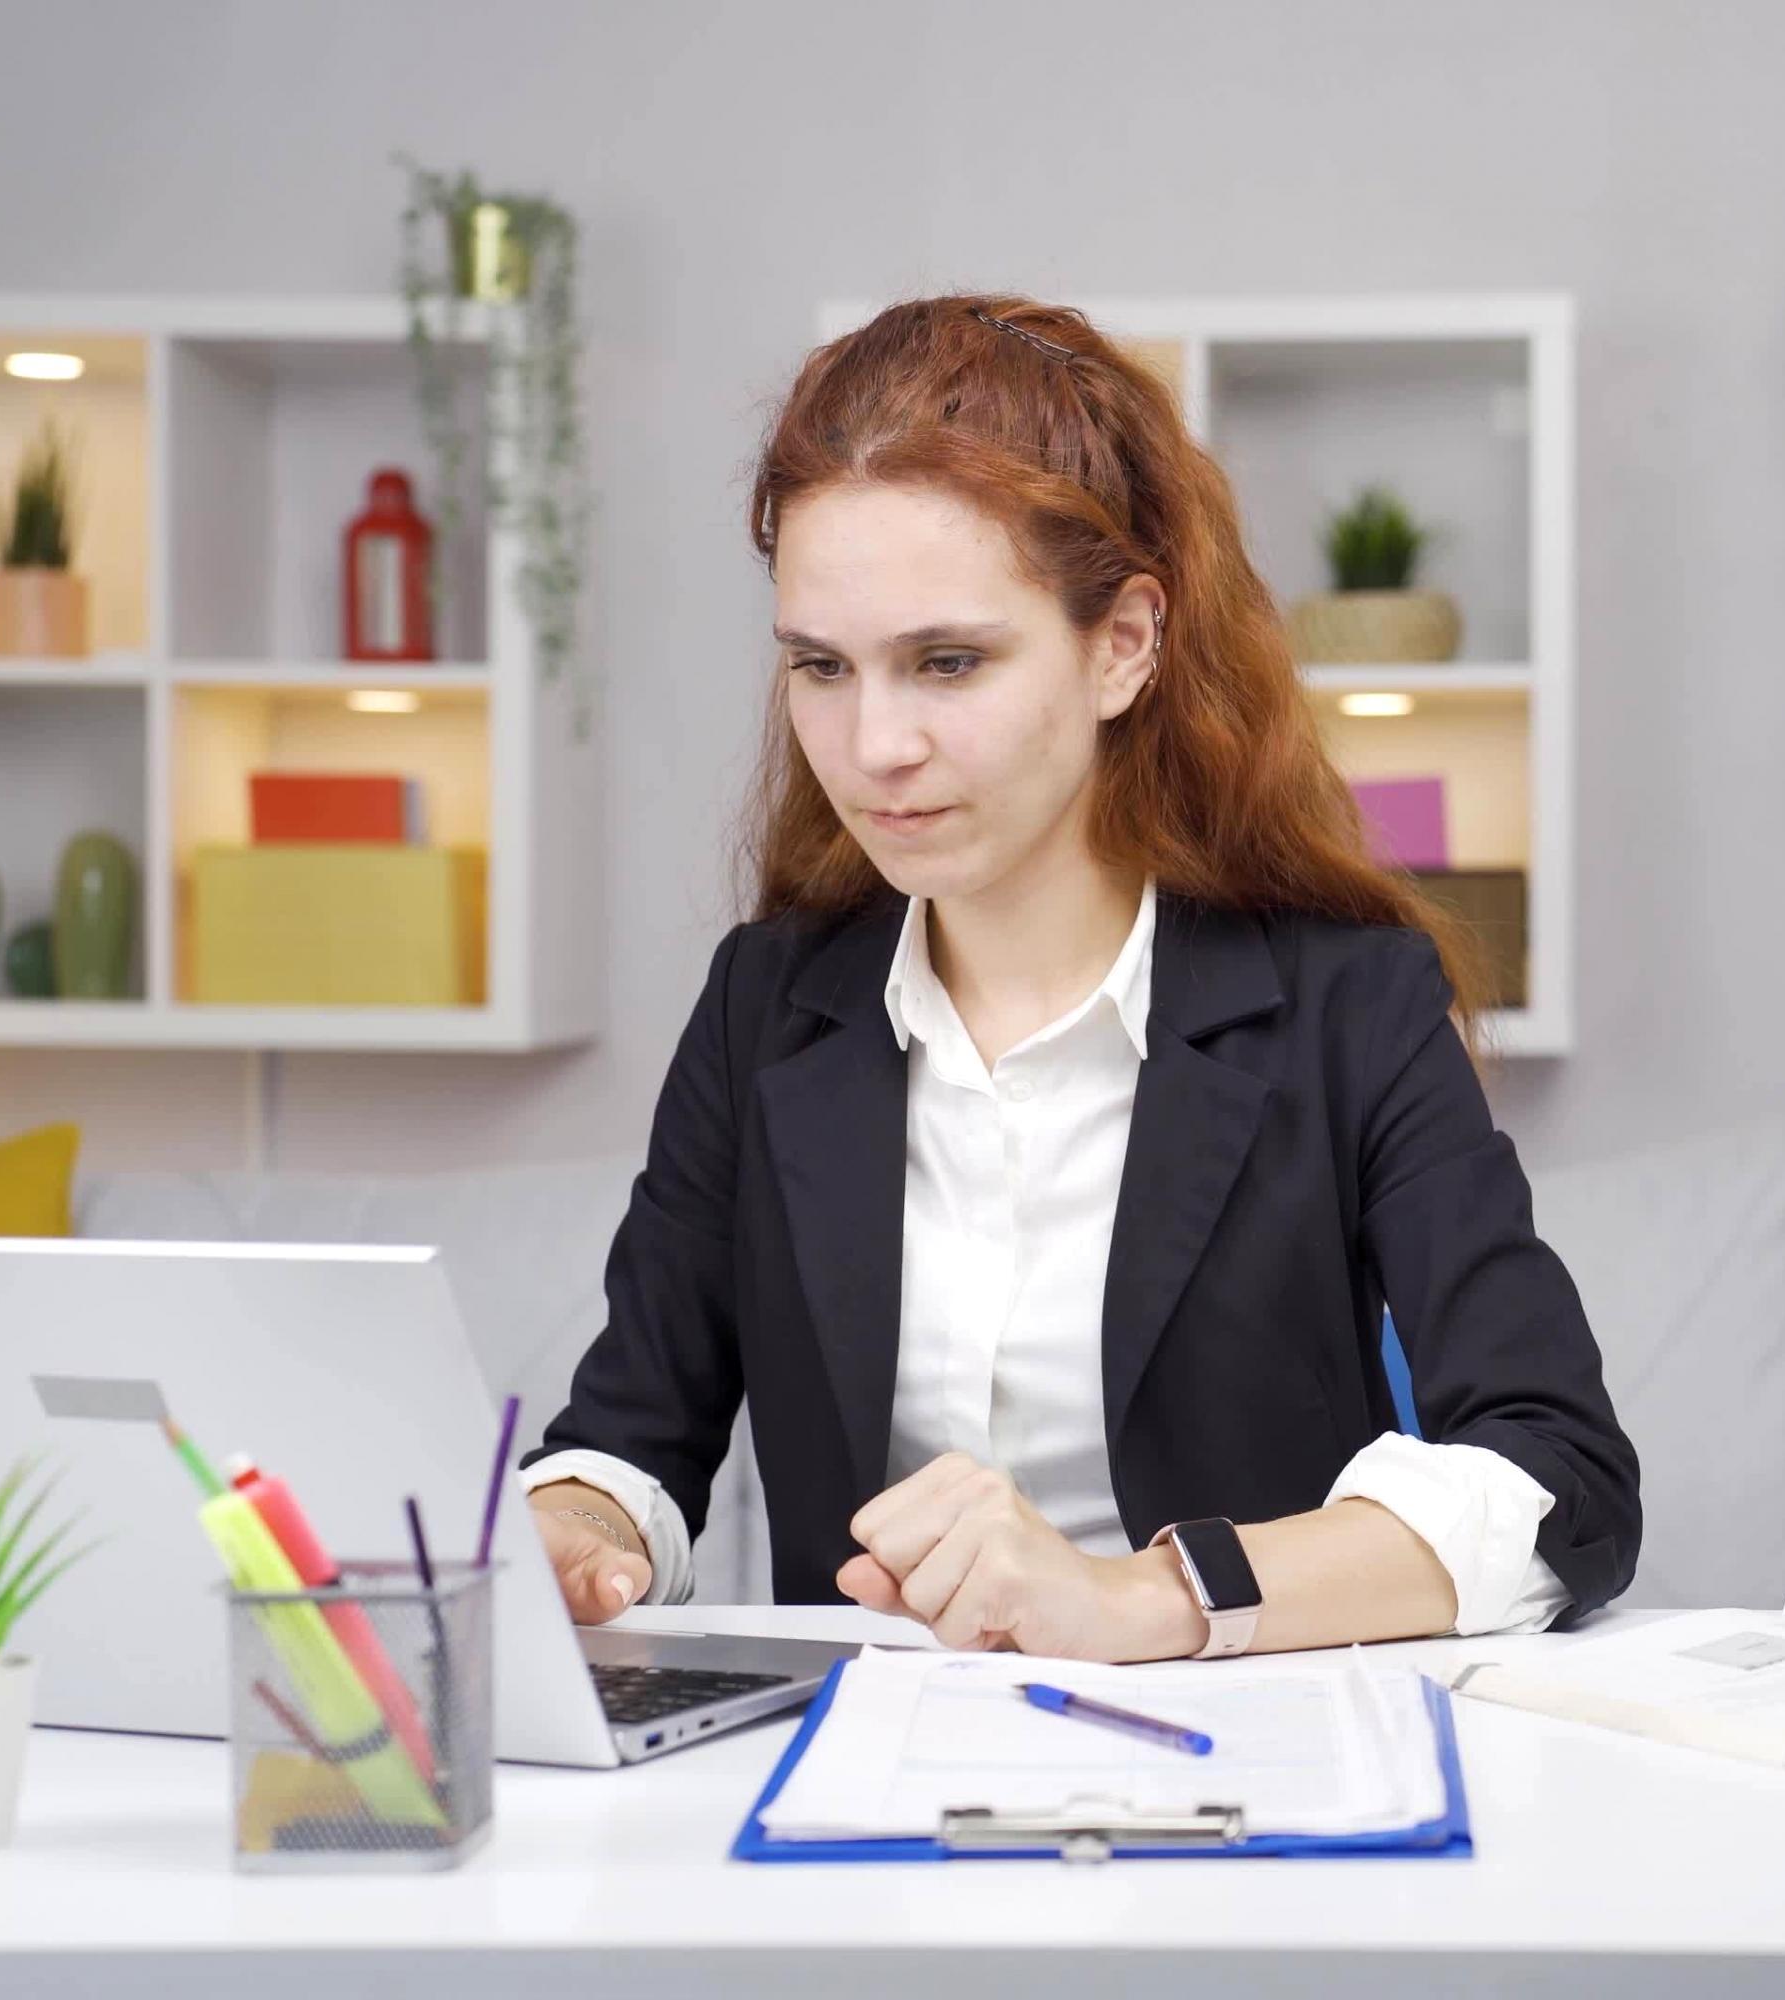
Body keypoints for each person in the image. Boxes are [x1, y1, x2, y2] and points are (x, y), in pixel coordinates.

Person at [520, 294, 1638, 1661]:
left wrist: (1138, 1599)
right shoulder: (766, 1007)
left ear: (1123, 645)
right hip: (866, 1755)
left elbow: (1557, 1475)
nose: (873, 745)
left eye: (947, 662)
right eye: (820, 667)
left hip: (1244, 1744)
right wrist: (574, 1529)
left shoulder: (1349, 1003)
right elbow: (629, 1440)